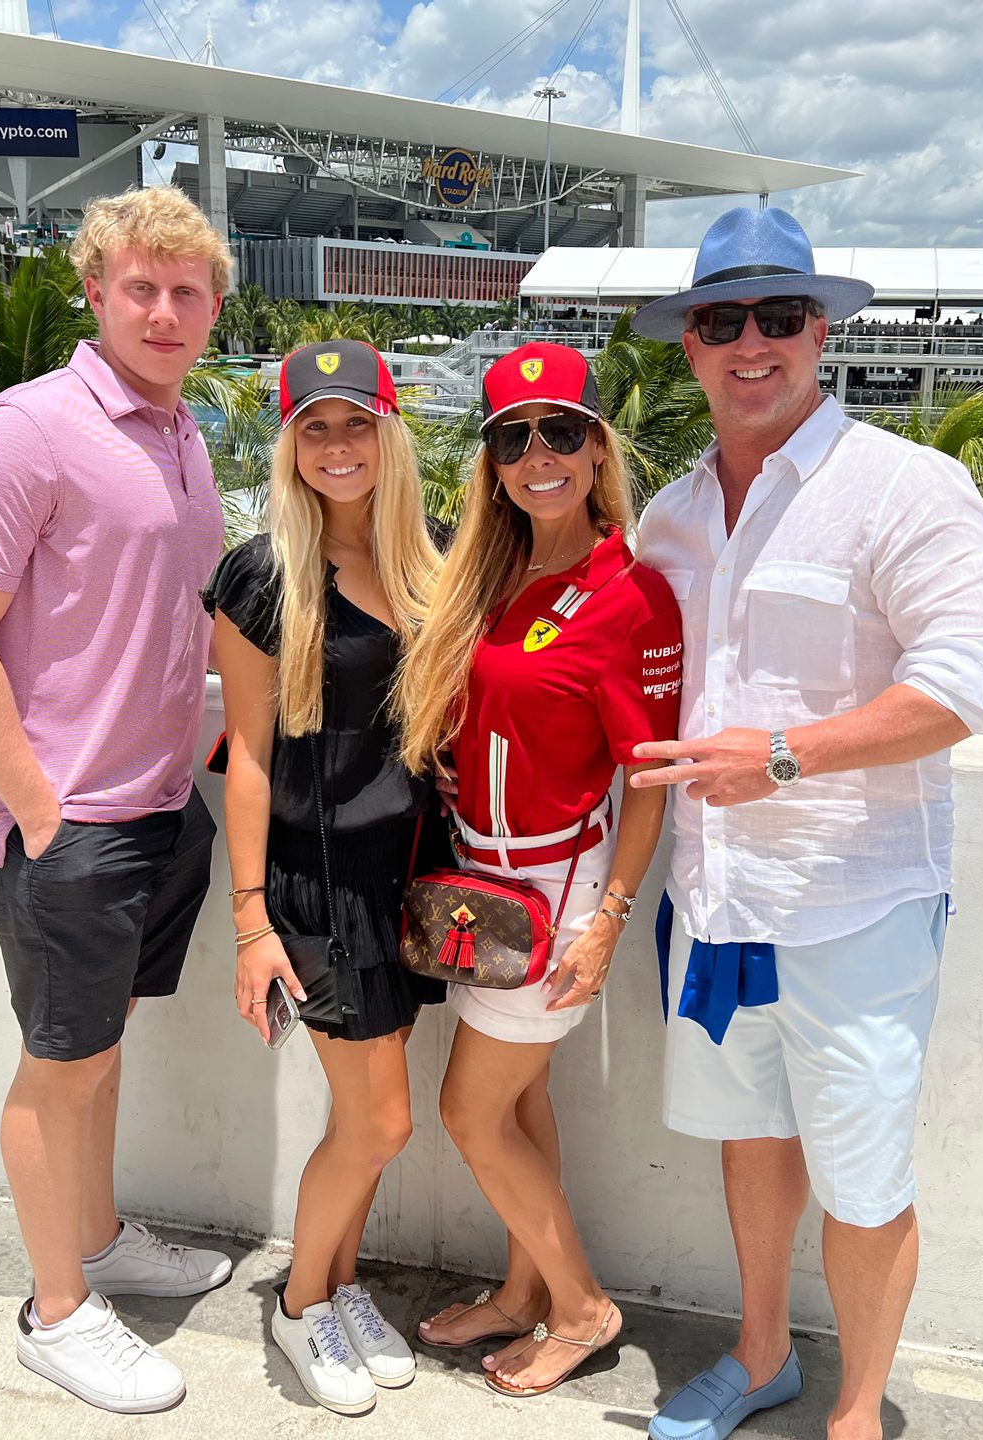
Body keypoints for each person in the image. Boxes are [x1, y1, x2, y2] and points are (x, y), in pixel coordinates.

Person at [627, 206, 983, 1440]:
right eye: (722, 321)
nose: (753, 344)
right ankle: (760, 1357)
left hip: (854, 907)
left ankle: (859, 1413)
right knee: (751, 1137)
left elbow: (977, 679)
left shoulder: (907, 485)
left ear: (822, 331)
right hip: (719, 897)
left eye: (780, 317)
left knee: (863, 1177)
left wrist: (789, 755)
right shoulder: (671, 515)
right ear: (688, 347)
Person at [0, 186, 233, 1416]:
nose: (164, 310)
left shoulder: (183, 434)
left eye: (187, 291)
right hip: (65, 821)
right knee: (58, 1066)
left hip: (157, 808)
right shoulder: (28, 429)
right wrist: (41, 812)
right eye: (140, 288)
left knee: (100, 1052)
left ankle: (97, 1240)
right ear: (95, 294)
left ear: (213, 307)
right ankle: (58, 1311)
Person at [397, 342, 683, 1398]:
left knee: (471, 1113)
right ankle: (523, 1291)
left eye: (561, 431)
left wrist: (611, 915)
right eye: (512, 439)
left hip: (559, 888)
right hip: (483, 875)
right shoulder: (489, 567)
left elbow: (648, 778)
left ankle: (581, 1306)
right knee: (519, 1106)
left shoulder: (631, 592)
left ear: (598, 447)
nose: (537, 456)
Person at [203, 340, 444, 1417]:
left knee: (367, 1120)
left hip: (408, 882)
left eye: (357, 424)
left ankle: (340, 1281)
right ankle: (302, 1304)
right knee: (381, 1123)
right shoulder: (262, 575)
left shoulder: (435, 559)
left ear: (390, 435)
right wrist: (251, 921)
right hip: (317, 884)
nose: (337, 447)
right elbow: (247, 755)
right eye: (316, 427)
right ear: (290, 444)